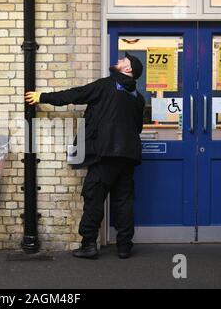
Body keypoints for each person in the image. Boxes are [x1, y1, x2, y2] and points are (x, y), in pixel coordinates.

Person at [25, 53, 145, 260]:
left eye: (123, 61)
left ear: (129, 70)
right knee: (123, 201)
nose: (118, 61)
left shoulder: (107, 84)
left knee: (93, 198)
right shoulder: (138, 97)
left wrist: (43, 97)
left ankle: (89, 244)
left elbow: (76, 94)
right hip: (128, 156)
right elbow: (138, 127)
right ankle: (124, 246)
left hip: (105, 154)